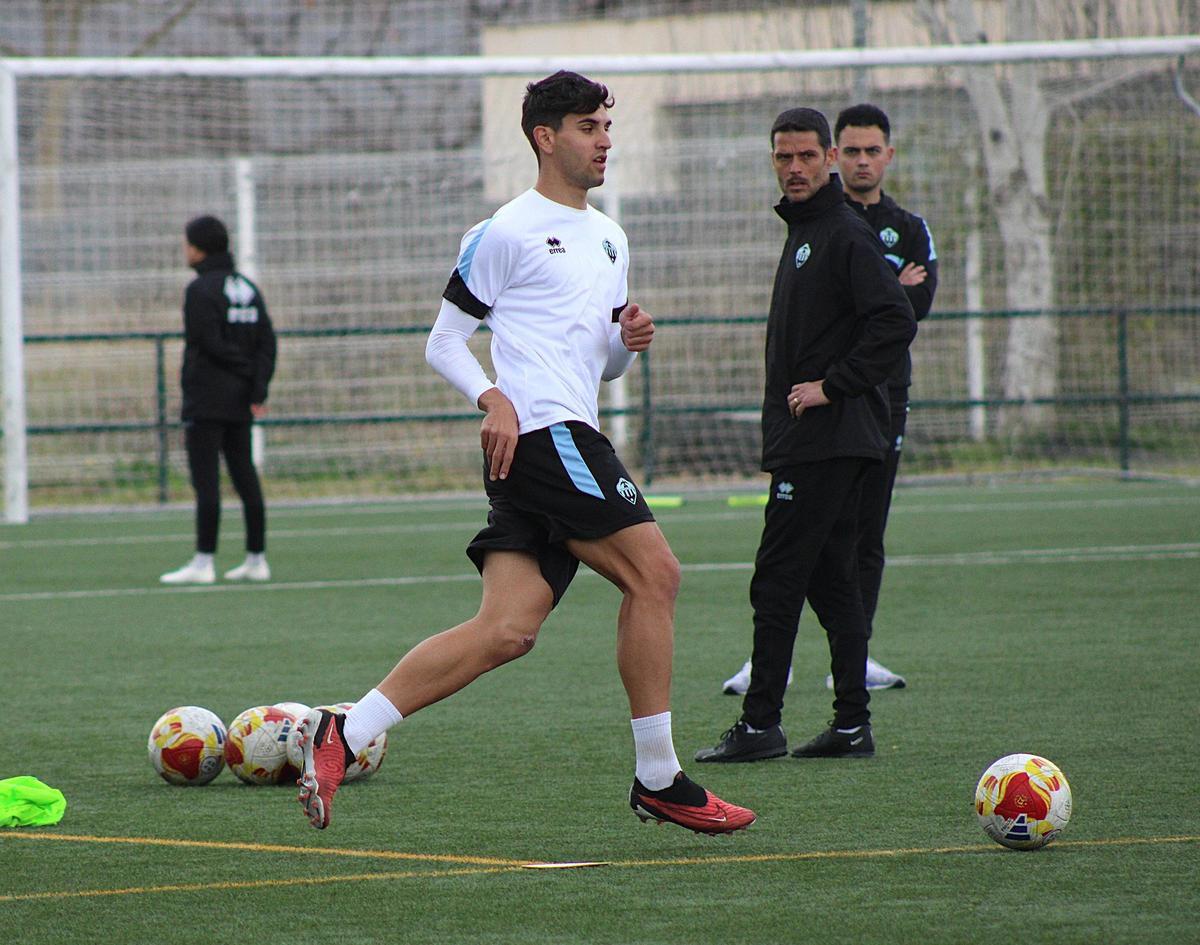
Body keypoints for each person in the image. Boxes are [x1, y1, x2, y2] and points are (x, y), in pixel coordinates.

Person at [296, 71, 755, 834]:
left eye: (607, 126)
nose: (604, 140)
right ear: (546, 138)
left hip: (557, 432)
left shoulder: (612, 235)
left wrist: (627, 344)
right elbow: (444, 341)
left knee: (507, 629)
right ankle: (659, 777)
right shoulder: (503, 230)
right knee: (658, 574)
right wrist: (493, 395)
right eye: (587, 127)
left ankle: (346, 729)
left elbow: (600, 365)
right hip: (546, 435)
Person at [696, 107, 915, 764]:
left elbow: (893, 321)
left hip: (827, 438)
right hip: (819, 440)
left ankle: (761, 722)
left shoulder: (843, 233)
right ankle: (852, 723)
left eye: (804, 158)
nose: (793, 169)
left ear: (827, 159)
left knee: (777, 577)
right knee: (831, 580)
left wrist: (832, 385)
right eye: (781, 158)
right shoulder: (808, 231)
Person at [160, 215, 277, 586]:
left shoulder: (199, 291)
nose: (184, 250)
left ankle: (203, 561)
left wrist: (243, 372)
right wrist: (257, 387)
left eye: (186, 244)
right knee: (245, 477)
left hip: (207, 399)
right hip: (241, 401)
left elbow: (207, 342)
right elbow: (267, 343)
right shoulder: (247, 287)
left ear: (198, 247)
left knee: (206, 481)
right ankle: (256, 559)